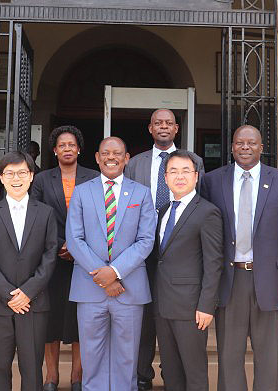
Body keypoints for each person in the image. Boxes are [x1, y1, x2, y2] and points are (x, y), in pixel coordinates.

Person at [200, 125, 278, 391]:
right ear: (232, 146)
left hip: (269, 280)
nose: (245, 147)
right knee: (229, 355)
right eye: (239, 142)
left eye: (251, 143)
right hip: (229, 279)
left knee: (267, 357)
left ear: (261, 147)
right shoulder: (212, 181)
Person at [66, 136, 157, 391]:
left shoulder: (141, 193)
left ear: (126, 159)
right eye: (105, 153)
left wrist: (115, 273)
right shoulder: (82, 192)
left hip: (129, 288)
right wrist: (103, 277)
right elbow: (75, 239)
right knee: (91, 355)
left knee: (127, 357)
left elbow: (146, 240)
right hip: (89, 288)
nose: (111, 157)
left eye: (117, 153)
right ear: (97, 157)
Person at [124, 108, 205, 391]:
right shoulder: (135, 163)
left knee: (172, 314)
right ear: (150, 128)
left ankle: (172, 373)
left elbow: (198, 204)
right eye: (158, 123)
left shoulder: (192, 161)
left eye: (168, 123)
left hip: (179, 252)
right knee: (145, 315)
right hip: (141, 251)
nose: (163, 127)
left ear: (176, 128)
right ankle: (143, 374)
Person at [0, 151, 58, 391]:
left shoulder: (46, 213)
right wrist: (10, 295)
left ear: (31, 176)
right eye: (10, 173)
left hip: (35, 303)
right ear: (1, 178)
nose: (16, 178)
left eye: (22, 172)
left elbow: (50, 255)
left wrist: (28, 291)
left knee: (32, 367)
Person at [31, 125, 99, 391]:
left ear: (79, 148)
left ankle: (77, 376)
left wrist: (78, 247)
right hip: (52, 260)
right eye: (62, 145)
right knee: (52, 320)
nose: (67, 149)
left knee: (80, 319)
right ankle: (51, 376)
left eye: (72, 144)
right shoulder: (41, 179)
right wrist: (61, 245)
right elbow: (35, 216)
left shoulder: (94, 178)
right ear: (55, 150)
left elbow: (100, 218)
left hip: (86, 262)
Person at [153, 150, 223, 391]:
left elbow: (214, 263)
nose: (179, 176)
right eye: (173, 171)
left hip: (191, 308)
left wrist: (206, 305)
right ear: (165, 178)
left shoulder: (207, 212)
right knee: (170, 371)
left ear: (196, 176)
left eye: (185, 171)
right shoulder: (163, 210)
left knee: (194, 372)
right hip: (163, 305)